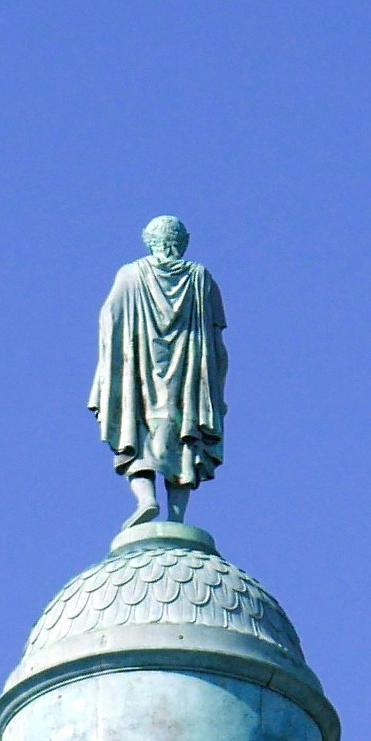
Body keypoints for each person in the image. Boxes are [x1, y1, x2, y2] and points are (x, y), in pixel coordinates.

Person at [91, 215, 227, 520]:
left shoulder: (130, 275)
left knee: (138, 435)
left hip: (139, 379)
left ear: (147, 239)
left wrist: (108, 375)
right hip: (187, 382)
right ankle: (176, 517)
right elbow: (217, 341)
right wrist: (217, 389)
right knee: (184, 438)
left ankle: (146, 500)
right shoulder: (200, 278)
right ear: (184, 240)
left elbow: (109, 322)